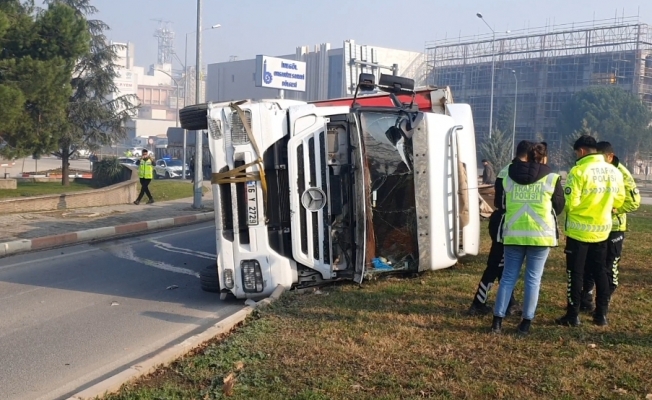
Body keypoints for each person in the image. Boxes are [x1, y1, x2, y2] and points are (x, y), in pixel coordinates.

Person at [490, 143, 565, 335]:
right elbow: (558, 206)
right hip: (540, 237)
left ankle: (497, 322)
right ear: (544, 158)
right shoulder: (551, 178)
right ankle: (525, 323)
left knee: (508, 277)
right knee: (533, 280)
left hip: (513, 234)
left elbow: (500, 203)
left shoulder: (508, 176)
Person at [556, 135, 625, 327]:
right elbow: (619, 201)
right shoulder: (613, 172)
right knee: (601, 272)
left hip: (579, 232)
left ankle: (572, 315)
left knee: (575, 274)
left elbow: (571, 204)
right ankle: (601, 315)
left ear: (582, 151)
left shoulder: (578, 171)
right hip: (602, 230)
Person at [468, 140, 534, 316]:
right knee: (495, 265)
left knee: (502, 266)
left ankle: (509, 302)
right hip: (506, 224)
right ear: (528, 155)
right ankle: (478, 303)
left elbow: (498, 201)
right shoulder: (521, 173)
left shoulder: (506, 170)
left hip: (499, 220)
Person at [580, 141, 640, 311]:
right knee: (591, 264)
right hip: (596, 226)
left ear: (609, 157)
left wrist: (614, 209)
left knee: (609, 267)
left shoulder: (622, 173)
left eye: (599, 158)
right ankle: (587, 299)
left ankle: (604, 302)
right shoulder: (593, 170)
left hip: (614, 228)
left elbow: (634, 202)